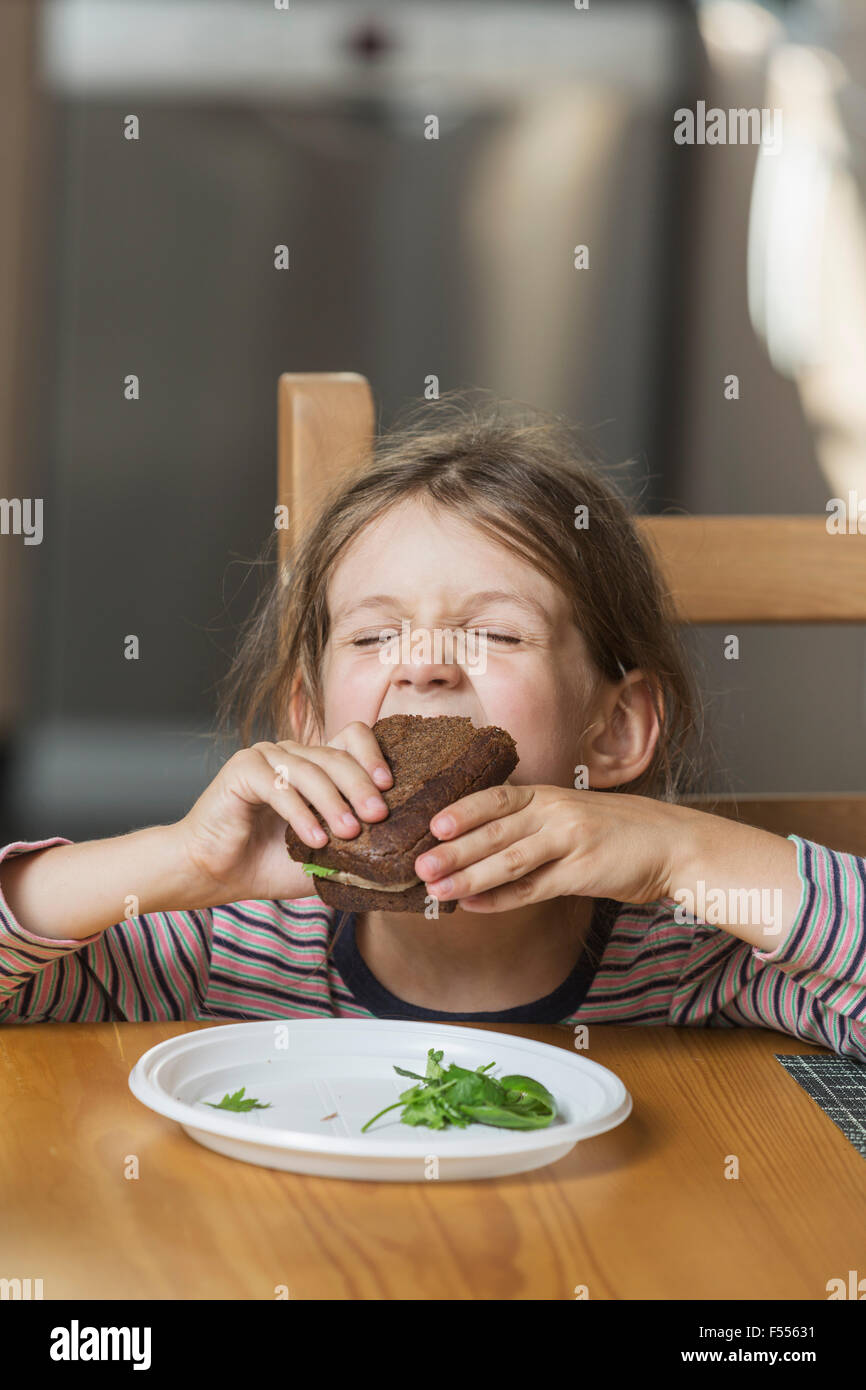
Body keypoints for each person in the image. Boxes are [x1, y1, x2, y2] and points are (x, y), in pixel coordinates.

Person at [1, 391, 863, 1059]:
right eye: (376, 635)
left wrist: (683, 852)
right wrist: (181, 862)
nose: (425, 665)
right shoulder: (228, 943)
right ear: (310, 722)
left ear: (614, 730)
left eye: (494, 633)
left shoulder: (688, 962)